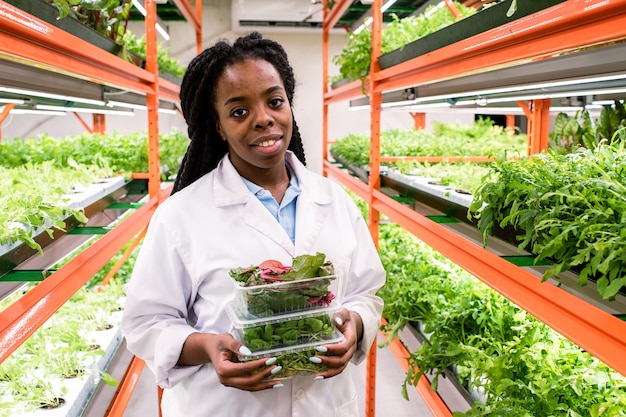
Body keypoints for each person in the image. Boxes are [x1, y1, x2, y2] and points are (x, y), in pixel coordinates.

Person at [121, 31, 386, 417]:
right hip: (226, 406)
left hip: (325, 404)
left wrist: (357, 325)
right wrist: (209, 347)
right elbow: (146, 322)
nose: (264, 119)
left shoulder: (335, 201)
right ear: (218, 126)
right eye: (239, 111)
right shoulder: (181, 215)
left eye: (275, 102)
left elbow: (366, 292)